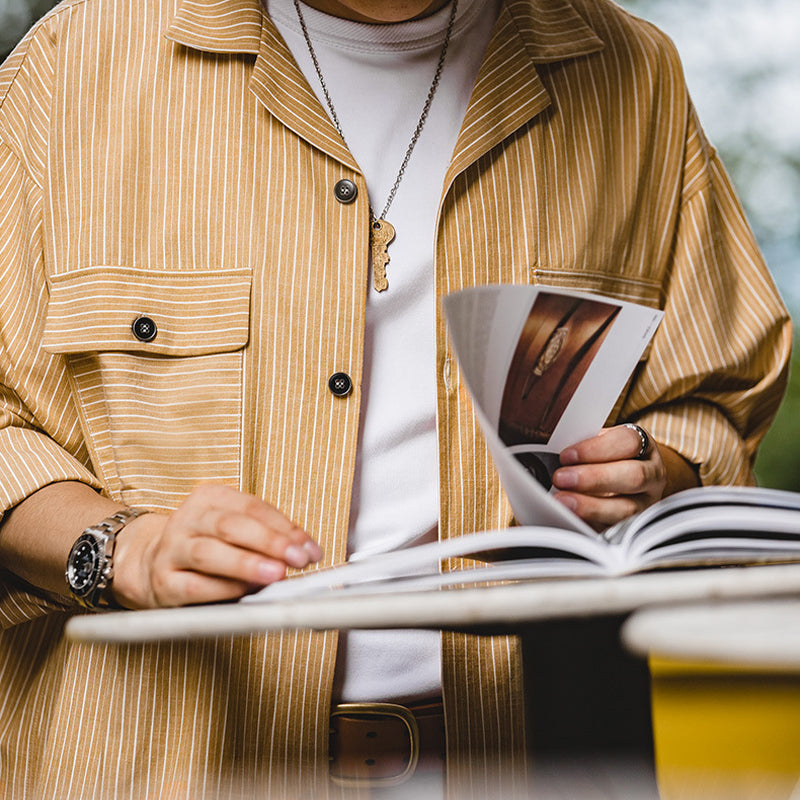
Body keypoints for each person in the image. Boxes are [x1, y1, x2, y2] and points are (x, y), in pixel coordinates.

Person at [0, 0, 790, 795]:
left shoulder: (635, 74)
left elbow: (715, 400)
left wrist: (659, 476)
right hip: (148, 769)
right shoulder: (69, 65)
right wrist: (125, 549)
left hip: (528, 763)